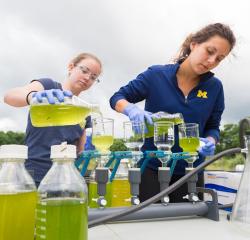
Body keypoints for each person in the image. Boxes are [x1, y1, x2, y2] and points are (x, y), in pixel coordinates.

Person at [109, 23, 236, 202]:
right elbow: (117, 97)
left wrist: (211, 140)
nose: (211, 61)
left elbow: (213, 126)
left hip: (191, 171)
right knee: (150, 226)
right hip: (151, 169)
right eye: (209, 51)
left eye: (219, 59)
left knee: (188, 226)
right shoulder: (156, 75)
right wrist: (131, 109)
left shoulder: (215, 87)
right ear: (194, 44)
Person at [4, 52, 102, 186]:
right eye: (84, 70)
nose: (87, 78)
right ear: (71, 67)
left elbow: (82, 151)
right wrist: (34, 97)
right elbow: (10, 96)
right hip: (34, 174)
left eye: (93, 77)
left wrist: (92, 150)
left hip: (65, 178)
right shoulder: (48, 86)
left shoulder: (84, 111)